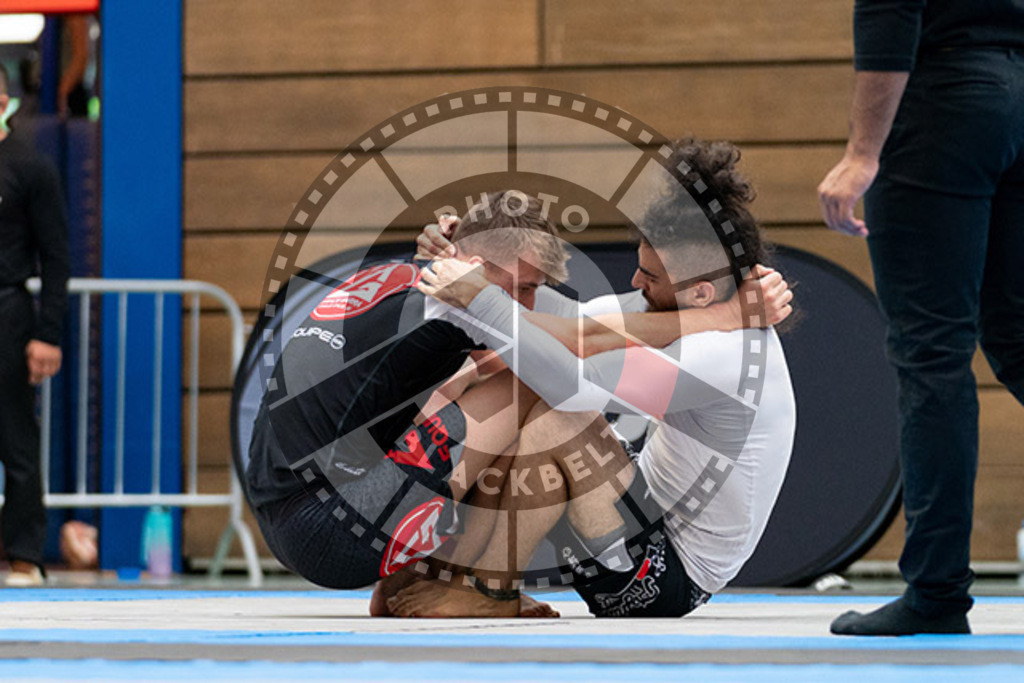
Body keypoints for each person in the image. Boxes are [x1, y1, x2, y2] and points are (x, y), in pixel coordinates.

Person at [244, 188, 791, 616]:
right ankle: (483, 588)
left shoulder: (411, 281)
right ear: (472, 269)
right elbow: (572, 352)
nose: (531, 302)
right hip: (324, 528)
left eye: (647, 274)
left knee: (515, 369)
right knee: (534, 386)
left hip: (299, 515)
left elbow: (570, 327)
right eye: (525, 286)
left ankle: (441, 581)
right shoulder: (450, 304)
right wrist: (721, 315)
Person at [388, 139, 798, 618]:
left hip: (668, 579)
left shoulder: (722, 357)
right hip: (633, 532)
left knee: (556, 415)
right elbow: (569, 324)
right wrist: (468, 259)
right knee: (518, 375)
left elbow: (571, 382)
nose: (634, 285)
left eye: (649, 277)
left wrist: (479, 297)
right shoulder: (694, 310)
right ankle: (450, 576)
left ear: (701, 292)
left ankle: (487, 590)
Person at [818, 0, 1024, 636]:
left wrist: (862, 151)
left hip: (944, 103)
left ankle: (935, 592)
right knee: (1017, 341)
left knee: (931, 354)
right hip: (1016, 96)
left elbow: (891, 9)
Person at [0, 64, 70, 587]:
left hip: (8, 312)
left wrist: (48, 334)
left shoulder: (30, 167)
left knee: (16, 436)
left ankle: (24, 555)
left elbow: (56, 257)